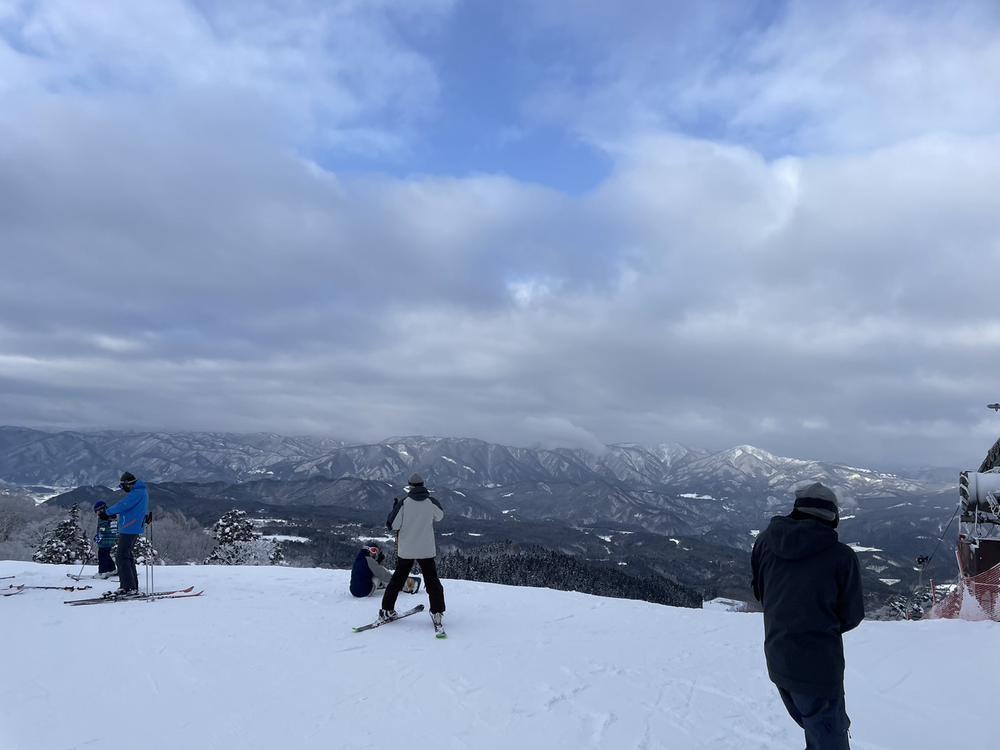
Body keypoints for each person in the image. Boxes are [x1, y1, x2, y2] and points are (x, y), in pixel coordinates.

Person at [751, 482, 864, 750]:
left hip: (778, 658)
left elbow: (762, 593)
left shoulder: (765, 541)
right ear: (832, 517)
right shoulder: (841, 557)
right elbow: (851, 615)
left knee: (814, 731)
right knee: (828, 739)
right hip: (819, 669)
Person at [378, 474, 445, 631]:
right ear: (422, 485)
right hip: (426, 549)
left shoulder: (404, 503)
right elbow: (440, 516)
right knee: (432, 582)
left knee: (397, 580)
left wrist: (394, 509)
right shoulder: (431, 501)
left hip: (407, 549)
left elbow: (392, 525)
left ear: (410, 486)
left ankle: (387, 610)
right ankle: (437, 612)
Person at [104, 472, 148, 596]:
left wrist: (106, 513)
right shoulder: (139, 491)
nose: (123, 489)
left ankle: (128, 588)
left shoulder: (137, 493)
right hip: (131, 527)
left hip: (130, 528)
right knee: (126, 556)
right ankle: (131, 586)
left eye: (123, 486)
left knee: (122, 557)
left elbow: (123, 505)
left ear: (128, 484)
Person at [93, 501, 118, 579]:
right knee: (106, 554)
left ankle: (102, 572)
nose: (97, 513)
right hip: (111, 539)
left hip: (105, 540)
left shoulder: (103, 516)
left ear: (101, 509)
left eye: (97, 511)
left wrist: (98, 537)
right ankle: (112, 569)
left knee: (102, 555)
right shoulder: (111, 515)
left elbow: (102, 529)